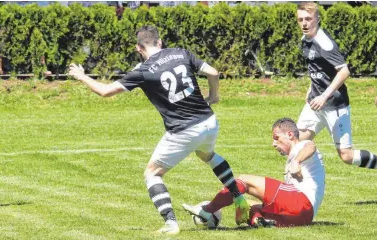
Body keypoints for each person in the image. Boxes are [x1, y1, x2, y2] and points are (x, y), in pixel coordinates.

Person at [68, 25, 250, 235]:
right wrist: (213, 96)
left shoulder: (143, 71)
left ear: (138, 48)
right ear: (160, 42)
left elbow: (105, 91)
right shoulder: (181, 53)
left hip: (183, 130)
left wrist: (81, 76)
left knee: (152, 173)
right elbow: (213, 72)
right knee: (206, 154)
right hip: (208, 122)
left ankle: (171, 223)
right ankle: (238, 196)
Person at [183, 118, 325, 227]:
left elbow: (310, 146)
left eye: (276, 138)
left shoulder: (301, 146)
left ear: (290, 134)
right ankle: (260, 221)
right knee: (248, 205)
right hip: (303, 217)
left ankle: (207, 210)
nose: (274, 144)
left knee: (244, 180)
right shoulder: (294, 156)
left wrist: (297, 161)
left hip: (301, 202)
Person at [296, 2, 376, 169]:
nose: (304, 23)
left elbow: (344, 70)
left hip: (335, 105)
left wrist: (324, 95)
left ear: (317, 18)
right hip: (315, 104)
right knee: (297, 142)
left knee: (346, 156)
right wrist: (311, 89)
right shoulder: (305, 40)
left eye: (308, 19)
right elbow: (317, 68)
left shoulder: (324, 42)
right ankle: (301, 185)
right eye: (300, 19)